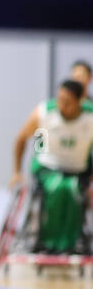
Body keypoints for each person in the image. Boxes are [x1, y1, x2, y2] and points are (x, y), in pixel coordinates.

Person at [10, 78, 93, 254]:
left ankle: (69, 242)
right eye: (59, 100)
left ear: (80, 102)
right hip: (47, 166)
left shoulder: (90, 117)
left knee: (72, 189)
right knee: (59, 187)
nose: (61, 105)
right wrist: (16, 172)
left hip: (77, 169)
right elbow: (20, 139)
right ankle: (49, 241)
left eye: (67, 102)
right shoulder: (45, 112)